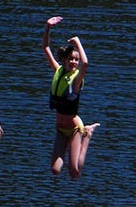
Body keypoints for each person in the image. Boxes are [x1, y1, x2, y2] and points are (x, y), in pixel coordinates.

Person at [43, 16, 99, 179]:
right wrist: (47, 27)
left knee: (74, 173)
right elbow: (46, 48)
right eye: (71, 59)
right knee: (55, 170)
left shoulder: (76, 80)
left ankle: (87, 133)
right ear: (64, 60)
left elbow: (86, 64)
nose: (74, 62)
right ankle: (74, 141)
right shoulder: (58, 71)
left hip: (74, 128)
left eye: (76, 59)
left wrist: (77, 42)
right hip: (60, 129)